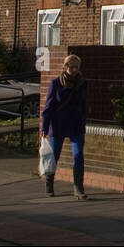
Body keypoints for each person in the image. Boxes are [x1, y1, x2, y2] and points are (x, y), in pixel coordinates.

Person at [40, 54, 89, 199]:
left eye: (77, 67)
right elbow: (48, 106)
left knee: (78, 154)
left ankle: (78, 188)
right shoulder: (56, 83)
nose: (74, 70)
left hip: (76, 125)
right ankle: (49, 184)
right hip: (58, 125)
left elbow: (84, 105)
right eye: (71, 67)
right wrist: (44, 126)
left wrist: (83, 120)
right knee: (54, 156)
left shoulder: (83, 83)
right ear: (65, 67)